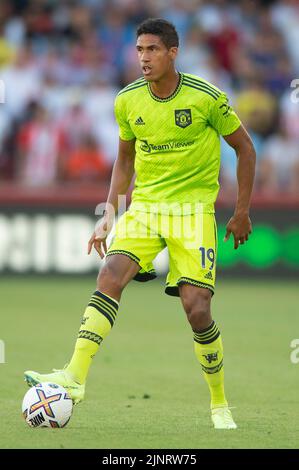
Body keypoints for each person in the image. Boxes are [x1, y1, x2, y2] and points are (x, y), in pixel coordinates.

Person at [24, 18, 256, 430]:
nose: (144, 58)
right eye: (139, 50)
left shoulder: (206, 98)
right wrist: (108, 216)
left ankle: (219, 404)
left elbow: (245, 149)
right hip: (146, 208)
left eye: (152, 50)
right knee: (109, 275)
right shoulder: (128, 100)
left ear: (172, 52)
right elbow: (125, 160)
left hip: (192, 212)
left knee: (197, 310)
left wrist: (241, 212)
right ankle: (74, 379)